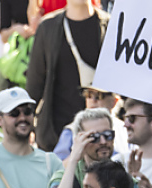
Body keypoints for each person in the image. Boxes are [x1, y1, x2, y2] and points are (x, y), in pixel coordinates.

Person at [25, 0, 107, 153]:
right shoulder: (47, 28)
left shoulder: (109, 25)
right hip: (57, 135)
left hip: (102, 136)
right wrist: (26, 125)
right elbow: (34, 85)